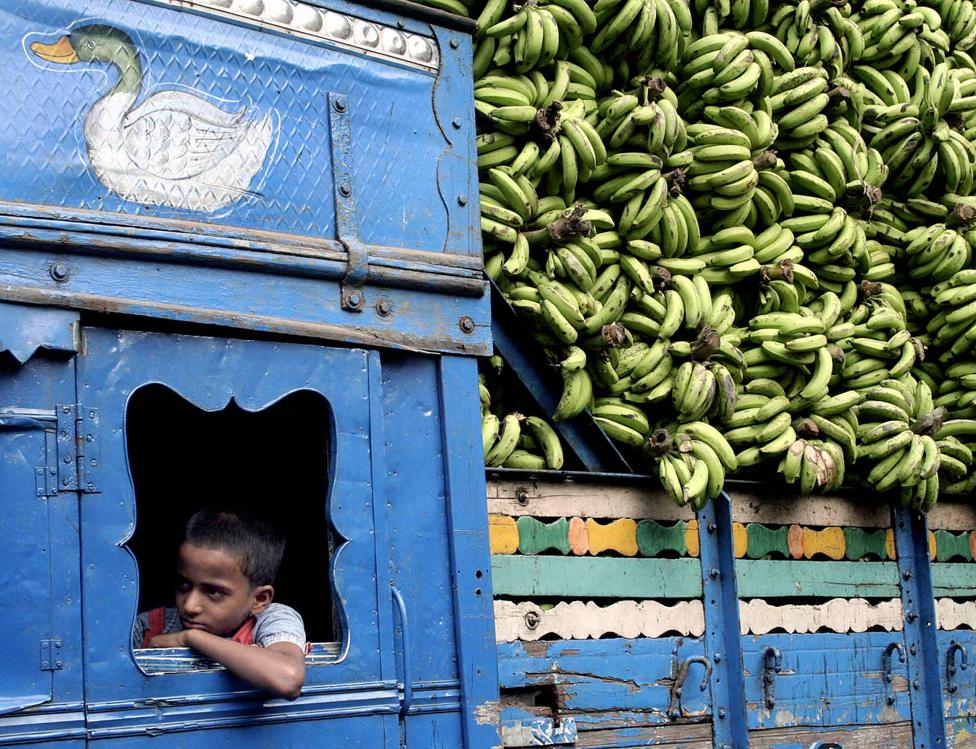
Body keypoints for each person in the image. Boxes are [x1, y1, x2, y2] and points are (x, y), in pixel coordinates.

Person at [132, 506, 306, 699]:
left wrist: (190, 638)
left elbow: (288, 679)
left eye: (213, 592)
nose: (190, 606)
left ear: (259, 599)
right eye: (184, 585)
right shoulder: (150, 626)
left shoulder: (272, 619)